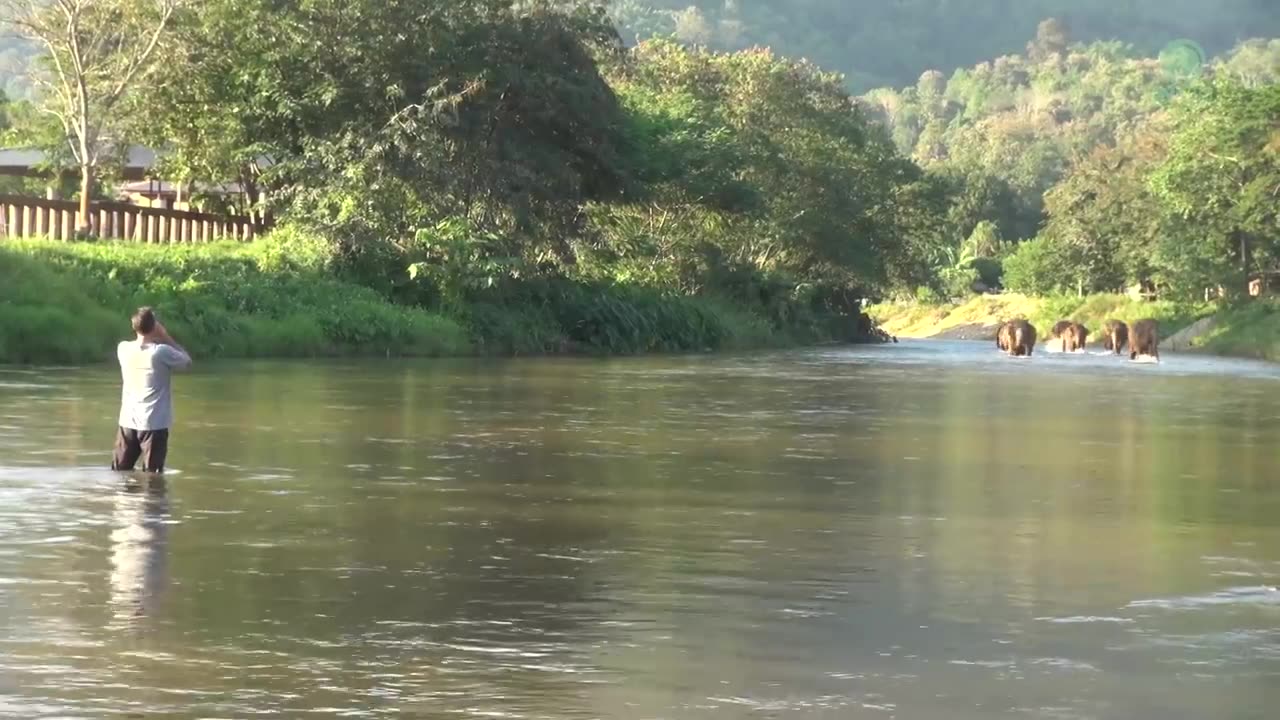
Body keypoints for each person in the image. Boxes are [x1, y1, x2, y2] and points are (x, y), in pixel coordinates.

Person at [111, 307, 192, 473]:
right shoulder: (161, 352)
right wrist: (165, 337)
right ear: (155, 326)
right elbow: (187, 362)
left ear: (134, 326)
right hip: (154, 423)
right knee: (152, 477)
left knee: (120, 472)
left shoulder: (123, 349)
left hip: (128, 421)